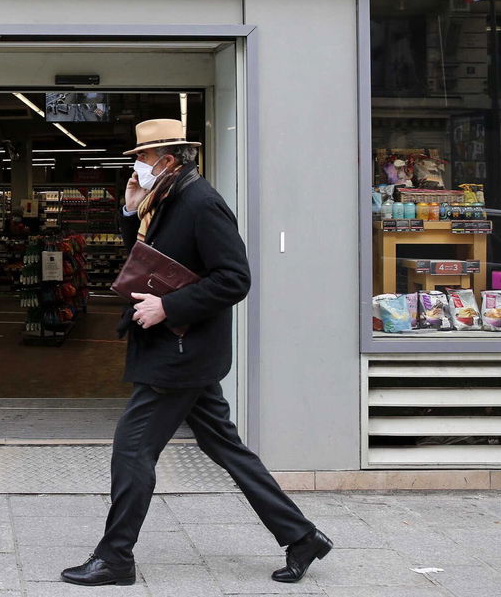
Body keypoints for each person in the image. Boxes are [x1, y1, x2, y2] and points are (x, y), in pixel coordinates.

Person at [61, 118, 332, 587]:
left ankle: (115, 557)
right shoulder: (164, 198)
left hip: (180, 353)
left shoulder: (201, 203)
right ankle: (301, 536)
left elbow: (234, 278)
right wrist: (129, 213)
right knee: (223, 444)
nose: (136, 167)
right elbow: (144, 264)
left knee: (132, 449)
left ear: (166, 159)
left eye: (142, 159)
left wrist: (168, 306)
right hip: (184, 350)